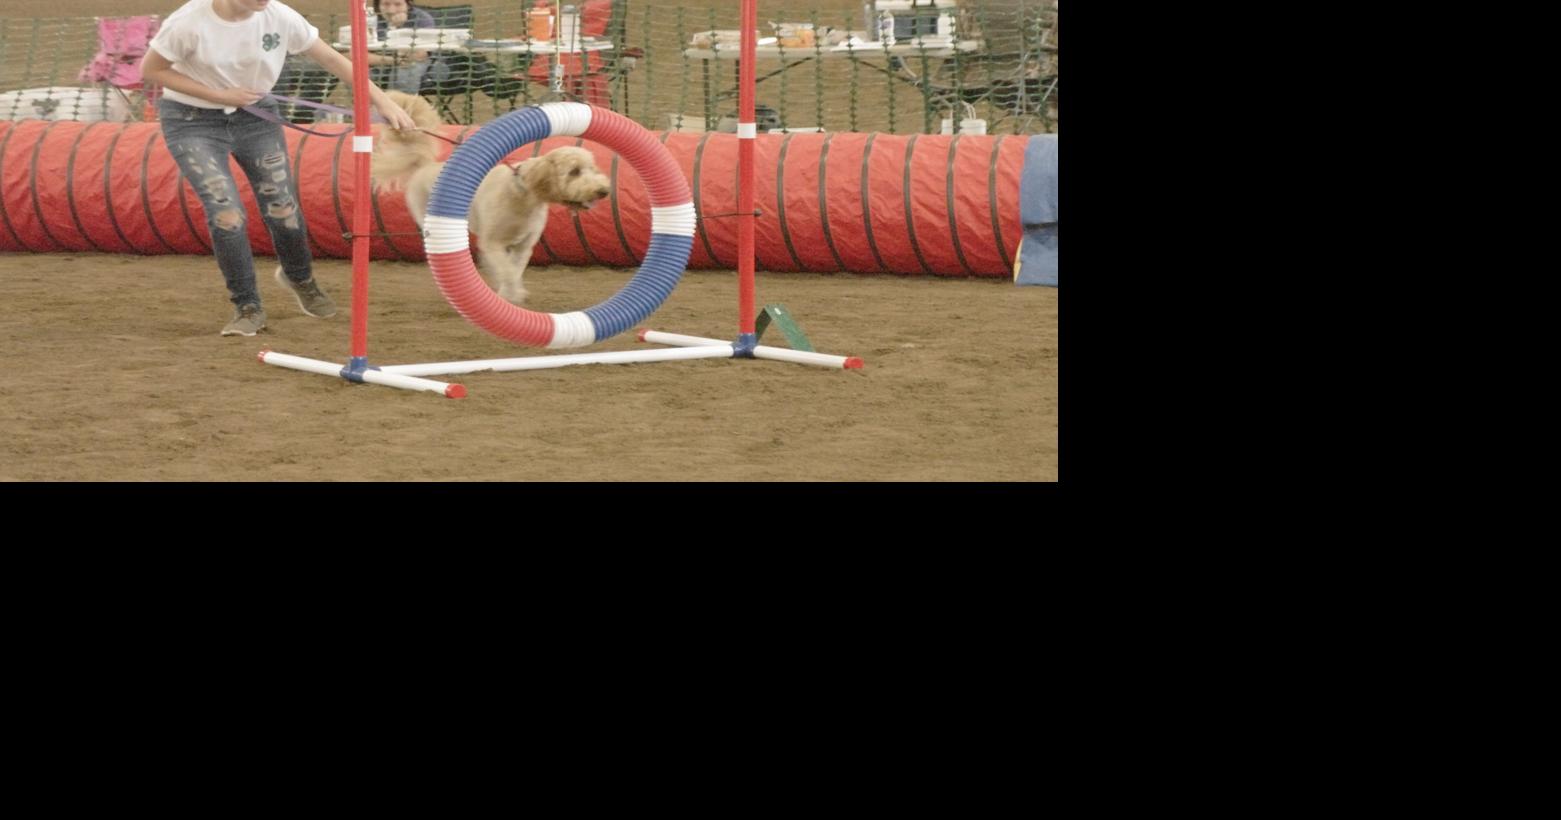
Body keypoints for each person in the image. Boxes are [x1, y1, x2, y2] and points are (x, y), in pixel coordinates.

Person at [140, 0, 417, 337]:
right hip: (192, 122)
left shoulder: (279, 16)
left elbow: (331, 58)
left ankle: (299, 277)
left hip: (255, 117)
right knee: (226, 213)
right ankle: (247, 306)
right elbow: (152, 70)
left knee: (282, 206)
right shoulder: (189, 21)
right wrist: (219, 95)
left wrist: (382, 101)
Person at [367, 0, 440, 96]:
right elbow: (352, 55)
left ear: (408, 5)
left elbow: (421, 54)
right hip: (383, 61)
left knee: (406, 70)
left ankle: (399, 108)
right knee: (358, 72)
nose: (391, 10)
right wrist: (393, 60)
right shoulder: (370, 20)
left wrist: (398, 28)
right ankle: (368, 109)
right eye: (386, 4)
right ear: (378, 5)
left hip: (421, 64)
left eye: (398, 4)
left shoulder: (422, 19)